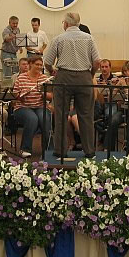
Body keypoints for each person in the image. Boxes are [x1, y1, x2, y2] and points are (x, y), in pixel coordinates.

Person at [44, 12, 101, 158]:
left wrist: (52, 71)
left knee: (61, 115)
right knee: (86, 115)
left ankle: (60, 150)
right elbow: (97, 61)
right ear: (78, 23)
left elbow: (48, 61)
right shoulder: (89, 38)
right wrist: (91, 74)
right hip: (84, 77)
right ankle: (89, 151)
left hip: (63, 77)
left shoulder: (58, 39)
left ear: (66, 23)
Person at [12, 56, 52, 157]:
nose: (39, 67)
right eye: (37, 64)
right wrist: (23, 95)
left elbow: (51, 96)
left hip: (40, 106)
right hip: (22, 107)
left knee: (44, 118)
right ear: (30, 64)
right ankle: (25, 149)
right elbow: (14, 96)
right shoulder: (21, 78)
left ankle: (48, 150)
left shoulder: (44, 78)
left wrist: (42, 92)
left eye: (40, 65)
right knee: (32, 118)